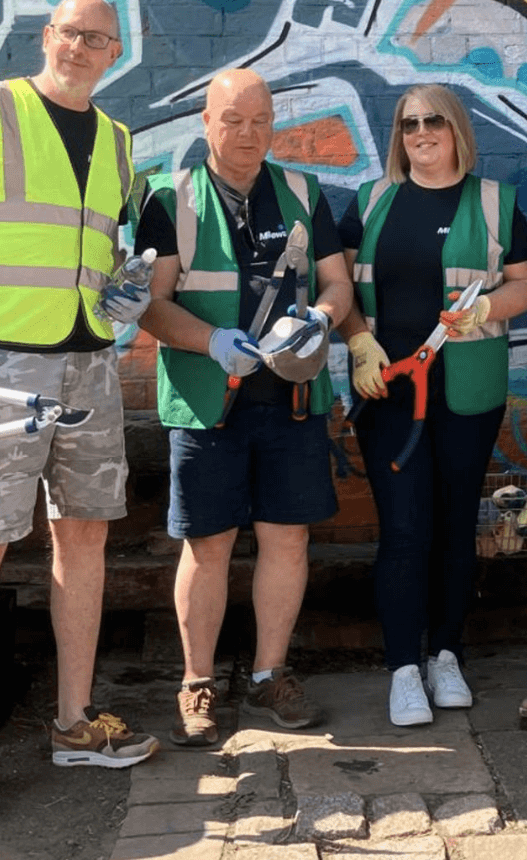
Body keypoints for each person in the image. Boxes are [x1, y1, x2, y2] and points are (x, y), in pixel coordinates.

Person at [0, 0, 159, 831]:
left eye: (101, 40)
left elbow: (102, 252)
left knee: (83, 534)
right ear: (48, 37)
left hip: (87, 365)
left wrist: (123, 292)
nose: (85, 48)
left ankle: (74, 721)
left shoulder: (121, 143)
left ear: (114, 53)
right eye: (73, 33)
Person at [134, 68, 352, 745]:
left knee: (288, 540)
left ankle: (268, 675)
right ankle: (197, 683)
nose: (248, 134)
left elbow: (337, 281)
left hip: (291, 401)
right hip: (207, 404)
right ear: (205, 123)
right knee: (208, 546)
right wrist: (210, 340)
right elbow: (152, 305)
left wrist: (319, 318)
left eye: (260, 119)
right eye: (233, 119)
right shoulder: (171, 199)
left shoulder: (302, 193)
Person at [336, 86, 527, 727]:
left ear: (457, 129)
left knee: (455, 526)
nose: (421, 132)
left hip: (468, 390)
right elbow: (335, 284)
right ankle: (403, 669)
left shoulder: (495, 202)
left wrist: (486, 308)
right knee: (403, 529)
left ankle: (445, 655)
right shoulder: (370, 202)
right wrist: (358, 340)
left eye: (434, 121)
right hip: (386, 391)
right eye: (409, 123)